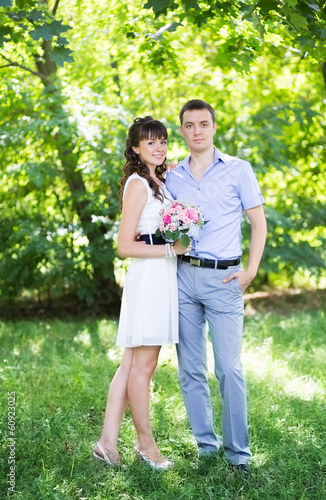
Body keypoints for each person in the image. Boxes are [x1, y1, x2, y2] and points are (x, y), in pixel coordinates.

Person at [165, 99, 267, 472]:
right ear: (182, 130)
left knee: (228, 368)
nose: (197, 131)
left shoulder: (239, 170)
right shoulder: (172, 175)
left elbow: (259, 224)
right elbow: (167, 229)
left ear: (214, 127)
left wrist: (250, 271)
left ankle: (238, 454)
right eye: (189, 125)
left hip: (226, 279)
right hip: (183, 277)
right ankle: (206, 447)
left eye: (203, 124)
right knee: (190, 368)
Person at [93, 116, 190, 470]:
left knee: (131, 364)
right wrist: (170, 251)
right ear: (135, 148)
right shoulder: (138, 185)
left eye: (163, 141)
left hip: (158, 275)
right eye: (150, 142)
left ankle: (106, 442)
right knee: (144, 366)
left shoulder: (156, 181)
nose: (159, 147)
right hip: (149, 276)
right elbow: (123, 245)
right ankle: (146, 445)